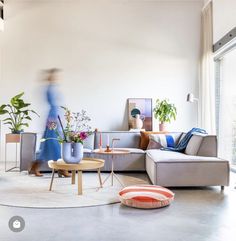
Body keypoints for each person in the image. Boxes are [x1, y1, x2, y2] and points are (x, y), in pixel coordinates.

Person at [29, 68, 70, 177]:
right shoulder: (50, 89)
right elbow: (54, 104)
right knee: (53, 142)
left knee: (48, 143)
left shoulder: (53, 88)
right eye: (53, 75)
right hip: (52, 118)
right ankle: (61, 168)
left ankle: (35, 167)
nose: (56, 77)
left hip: (54, 117)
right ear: (49, 77)